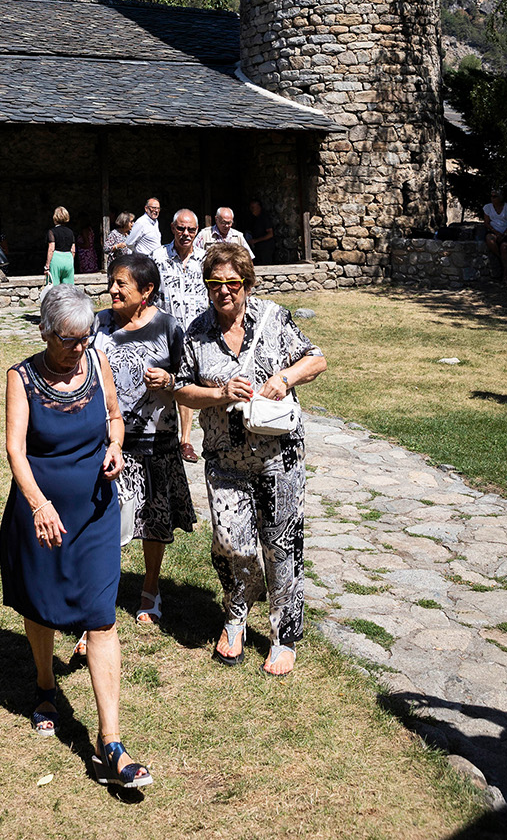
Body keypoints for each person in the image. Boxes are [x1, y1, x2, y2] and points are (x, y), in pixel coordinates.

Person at [0, 285, 152, 790]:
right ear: (45, 332)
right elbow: (15, 452)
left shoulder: (97, 362)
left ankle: (111, 742)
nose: (80, 349)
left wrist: (115, 445)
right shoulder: (20, 378)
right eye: (70, 340)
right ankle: (45, 686)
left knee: (101, 617)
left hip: (96, 511)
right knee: (41, 606)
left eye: (87, 338)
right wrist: (39, 504)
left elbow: (114, 416)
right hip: (41, 513)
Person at [175, 244, 326, 676]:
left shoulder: (274, 317)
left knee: (282, 547)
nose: (223, 292)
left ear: (246, 282)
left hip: (279, 456)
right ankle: (238, 609)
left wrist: (284, 378)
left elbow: (317, 359)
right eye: (214, 284)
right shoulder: (197, 331)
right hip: (224, 458)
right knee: (230, 543)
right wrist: (220, 394)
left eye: (232, 284)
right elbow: (183, 390)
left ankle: (283, 636)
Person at [93, 252, 195, 626]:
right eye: (112, 282)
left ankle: (151, 588)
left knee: (154, 520)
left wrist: (169, 382)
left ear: (147, 290)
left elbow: (191, 382)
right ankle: (101, 592)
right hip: (108, 442)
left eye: (122, 284)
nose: (113, 290)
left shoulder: (170, 327)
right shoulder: (98, 325)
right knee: (104, 522)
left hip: (157, 441)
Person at [154, 209, 208, 465]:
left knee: (184, 384)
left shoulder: (205, 259)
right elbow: (149, 292)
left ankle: (185, 440)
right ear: (172, 228)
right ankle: (166, 435)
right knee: (165, 386)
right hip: (164, 332)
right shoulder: (158, 257)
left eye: (191, 230)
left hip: (195, 334)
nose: (186, 234)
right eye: (181, 228)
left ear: (197, 232)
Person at [482, 190, 507, 283]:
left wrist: (505, 234)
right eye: (492, 196)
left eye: (495, 196)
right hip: (495, 230)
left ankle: (505, 274)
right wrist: (496, 232)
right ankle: (501, 259)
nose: (492, 198)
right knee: (489, 239)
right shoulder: (487, 207)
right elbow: (487, 222)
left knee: (504, 247)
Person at [45, 206, 76, 285]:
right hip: (68, 259)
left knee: (54, 287)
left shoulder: (52, 231)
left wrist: (47, 265)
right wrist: (70, 260)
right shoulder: (70, 232)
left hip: (56, 258)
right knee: (68, 288)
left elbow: (51, 248)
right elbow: (73, 250)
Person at [247, 199, 276, 264]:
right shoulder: (254, 219)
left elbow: (270, 234)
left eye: (253, 207)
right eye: (251, 207)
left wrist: (256, 240)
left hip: (266, 248)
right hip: (258, 248)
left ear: (258, 207)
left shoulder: (264, 218)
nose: (251, 210)